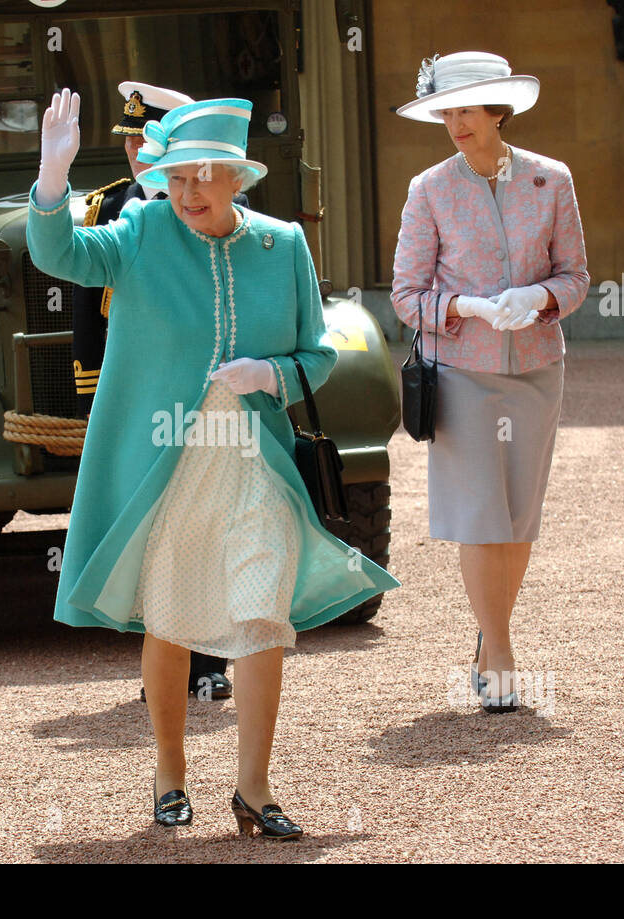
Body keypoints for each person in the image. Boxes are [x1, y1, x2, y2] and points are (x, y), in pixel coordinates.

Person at [28, 90, 399, 838]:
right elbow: (61, 253)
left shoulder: (282, 244)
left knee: (263, 617)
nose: (190, 192)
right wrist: (51, 180)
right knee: (169, 619)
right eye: (179, 175)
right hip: (167, 469)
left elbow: (319, 354)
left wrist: (272, 375)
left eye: (206, 176)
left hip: (253, 465)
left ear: (238, 179)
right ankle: (170, 770)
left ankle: (255, 788)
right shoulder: (140, 229)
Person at [391, 52, 589, 712]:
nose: (455, 122)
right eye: (446, 110)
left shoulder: (551, 180)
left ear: (498, 109)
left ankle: (487, 639)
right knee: (481, 516)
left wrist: (538, 297)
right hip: (463, 372)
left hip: (536, 368)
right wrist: (464, 308)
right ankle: (500, 652)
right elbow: (405, 295)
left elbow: (576, 278)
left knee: (516, 518)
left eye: (467, 109)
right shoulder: (429, 189)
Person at [77, 80, 242, 704]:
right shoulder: (109, 207)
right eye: (130, 140)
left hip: (209, 390)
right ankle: (167, 662)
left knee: (211, 524)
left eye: (148, 139)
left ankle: (210, 660)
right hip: (141, 393)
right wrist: (95, 384)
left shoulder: (218, 207)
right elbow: (88, 308)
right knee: (153, 531)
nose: (135, 152)